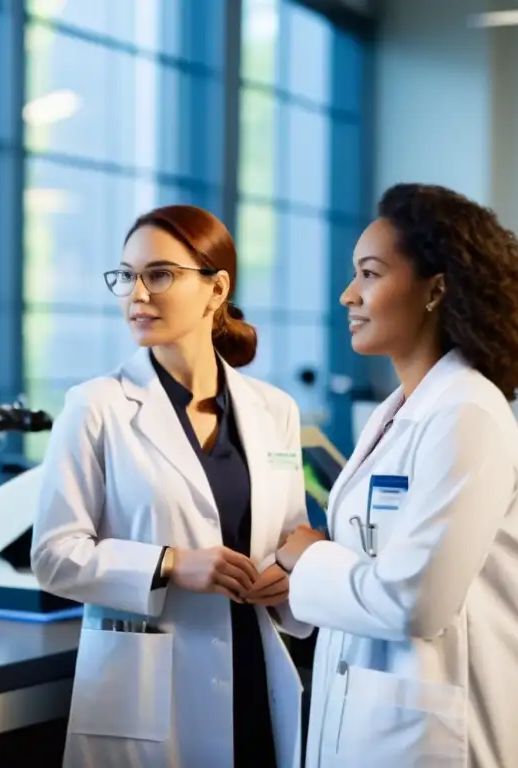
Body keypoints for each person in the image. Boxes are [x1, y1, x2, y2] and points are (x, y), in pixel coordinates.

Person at [31, 205, 313, 768]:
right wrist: (169, 564)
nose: (137, 293)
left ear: (217, 289)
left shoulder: (274, 409)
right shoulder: (96, 407)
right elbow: (54, 557)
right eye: (126, 275)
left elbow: (290, 535)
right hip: (146, 693)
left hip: (253, 676)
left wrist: (290, 573)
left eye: (159, 274)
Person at [276, 183, 518, 768]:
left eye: (370, 274)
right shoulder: (400, 412)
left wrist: (309, 559)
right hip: (372, 719)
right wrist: (287, 587)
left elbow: (413, 603)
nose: (348, 295)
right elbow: (371, 567)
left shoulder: (466, 415)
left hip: (432, 738)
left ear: (435, 289)